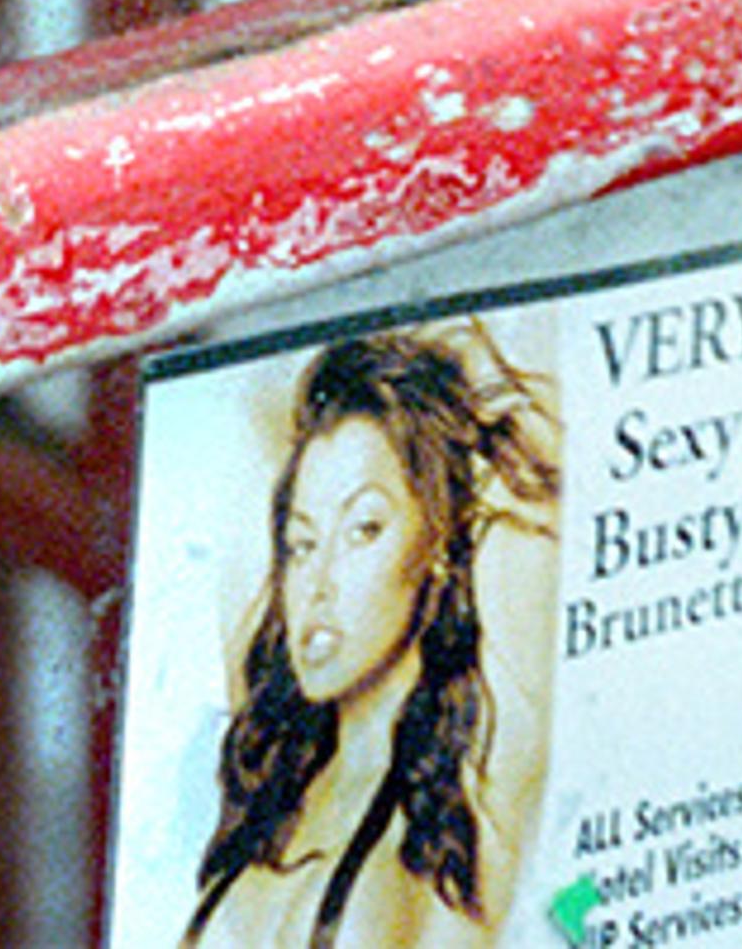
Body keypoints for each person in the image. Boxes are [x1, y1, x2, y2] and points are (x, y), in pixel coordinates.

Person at [183, 323, 562, 949]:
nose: (320, 584)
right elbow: (240, 401)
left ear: (437, 542)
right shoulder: (267, 780)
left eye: (364, 530)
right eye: (302, 544)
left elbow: (552, 459)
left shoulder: (474, 795)